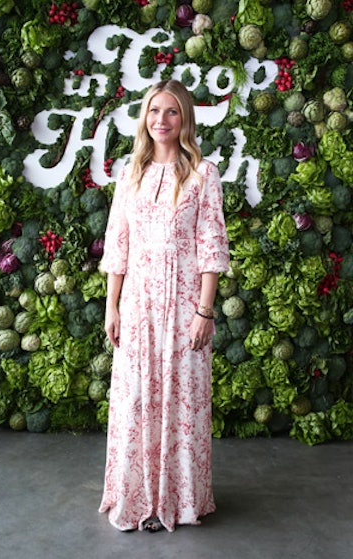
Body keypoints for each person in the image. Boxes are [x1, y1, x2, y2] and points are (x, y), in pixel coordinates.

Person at [98, 79, 230, 533]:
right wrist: (112, 307)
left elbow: (211, 246)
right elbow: (118, 246)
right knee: (136, 401)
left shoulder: (202, 174)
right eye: (154, 111)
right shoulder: (130, 173)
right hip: (137, 306)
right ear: (144, 118)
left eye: (171, 112)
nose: (161, 120)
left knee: (181, 400)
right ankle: (137, 498)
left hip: (183, 307)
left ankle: (177, 501)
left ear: (185, 119)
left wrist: (204, 311)